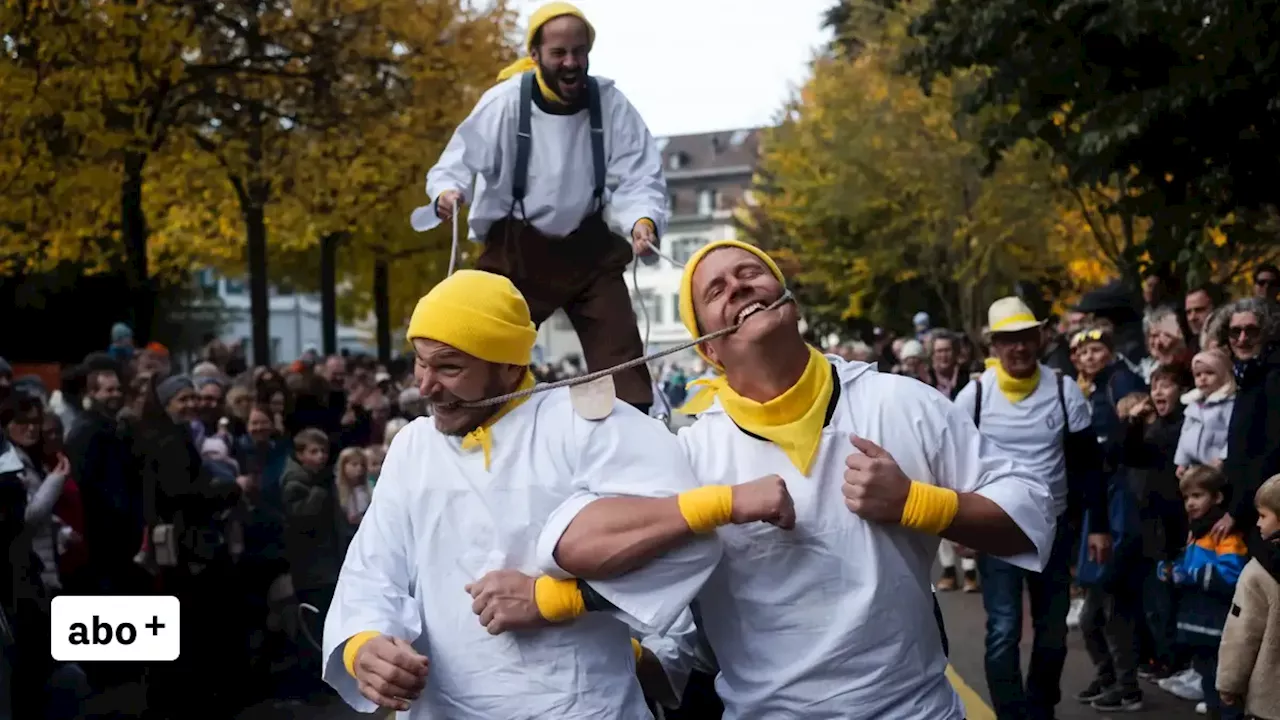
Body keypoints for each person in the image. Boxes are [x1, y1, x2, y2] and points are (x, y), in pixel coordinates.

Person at [491, 240, 1055, 718]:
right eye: (715, 291)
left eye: (751, 273)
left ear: (789, 300)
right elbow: (641, 587)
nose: (737, 286)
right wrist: (552, 601)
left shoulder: (901, 403)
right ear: (707, 348)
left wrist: (917, 503)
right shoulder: (688, 456)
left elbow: (1031, 514)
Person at [322, 270, 760, 719]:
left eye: (449, 366)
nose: (426, 385)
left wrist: (558, 599)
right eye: (420, 361)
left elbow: (693, 544)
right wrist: (364, 643)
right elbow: (372, 571)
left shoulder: (592, 427)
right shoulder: (413, 447)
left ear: (510, 365)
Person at [411, 1, 665, 414]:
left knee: (623, 358)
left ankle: (635, 441)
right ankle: (469, 428)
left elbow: (640, 173)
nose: (571, 63)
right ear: (535, 56)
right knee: (481, 348)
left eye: (579, 52)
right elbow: (456, 161)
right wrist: (448, 192)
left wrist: (643, 219)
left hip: (588, 249)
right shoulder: (506, 102)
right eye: (559, 54)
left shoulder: (611, 103)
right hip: (516, 251)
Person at [953, 296, 1110, 720]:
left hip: (1052, 530)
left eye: (1025, 338)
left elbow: (1087, 465)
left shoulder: (1064, 390)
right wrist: (961, 525)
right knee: (1003, 630)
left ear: (1039, 339)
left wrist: (1097, 526)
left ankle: (1040, 709)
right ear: (995, 346)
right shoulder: (975, 396)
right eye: (1008, 340)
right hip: (995, 526)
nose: (1018, 348)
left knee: (1052, 632)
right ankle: (1010, 713)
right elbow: (951, 462)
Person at [1156, 465, 1247, 719]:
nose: (1190, 504)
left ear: (1217, 497)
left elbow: (1232, 575)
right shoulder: (1195, 533)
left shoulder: (1224, 535)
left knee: (1225, 686)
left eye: (1197, 496)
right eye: (1186, 498)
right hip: (1197, 623)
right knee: (1208, 684)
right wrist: (1171, 570)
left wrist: (1192, 574)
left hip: (1216, 622)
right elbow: (1188, 568)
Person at [1216, 473, 1280, 719]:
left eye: (1263, 516)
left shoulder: (1258, 573)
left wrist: (1229, 682)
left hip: (1269, 698)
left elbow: (1243, 632)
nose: (1258, 523)